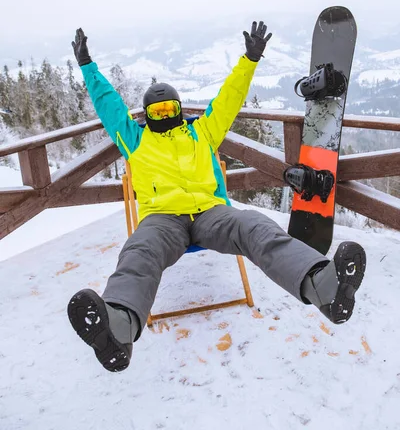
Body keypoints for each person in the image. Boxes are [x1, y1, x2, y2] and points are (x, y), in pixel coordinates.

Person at [67, 23, 366, 373]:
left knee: (254, 225)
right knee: (140, 251)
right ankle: (118, 327)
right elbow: (109, 106)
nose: (164, 116)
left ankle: (323, 287)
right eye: (157, 112)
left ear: (178, 108)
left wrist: (250, 59)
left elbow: (228, 100)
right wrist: (87, 64)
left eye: (169, 109)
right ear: (146, 116)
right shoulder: (134, 139)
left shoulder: (202, 132)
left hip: (211, 214)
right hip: (163, 220)